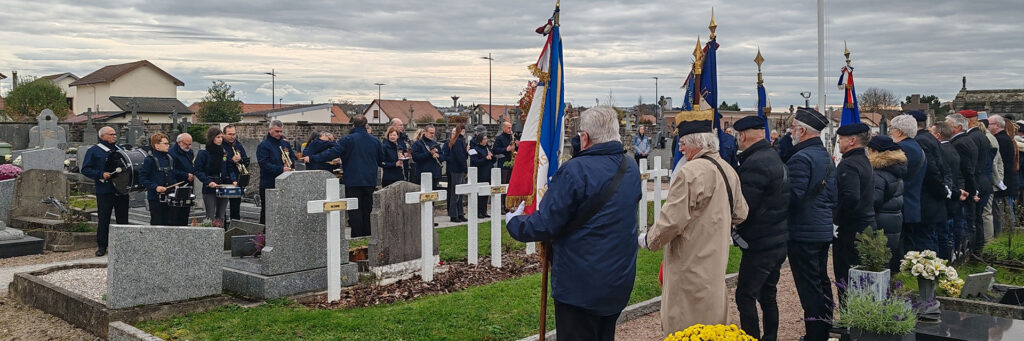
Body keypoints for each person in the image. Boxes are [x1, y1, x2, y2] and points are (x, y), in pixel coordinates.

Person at [505, 106, 640, 340]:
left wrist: (514, 223)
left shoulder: (574, 171)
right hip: (617, 281)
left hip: (580, 287)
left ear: (585, 138)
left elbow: (545, 223)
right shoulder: (630, 167)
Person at [639, 109, 749, 334]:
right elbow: (741, 213)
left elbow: (671, 221)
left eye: (683, 143)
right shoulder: (728, 169)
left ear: (697, 143)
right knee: (714, 327)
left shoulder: (689, 172)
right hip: (716, 260)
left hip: (689, 262)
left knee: (686, 327)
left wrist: (648, 240)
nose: (679, 148)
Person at [732, 116, 790, 341]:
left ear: (743, 136)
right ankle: (770, 336)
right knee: (768, 295)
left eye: (738, 136)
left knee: (745, 296)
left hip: (760, 243)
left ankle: (752, 337)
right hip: (777, 238)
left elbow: (744, 208)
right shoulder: (771, 156)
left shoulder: (754, 163)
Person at [785, 108, 837, 341]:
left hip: (803, 231)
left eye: (793, 128)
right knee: (821, 282)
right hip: (821, 228)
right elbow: (833, 196)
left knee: (809, 287)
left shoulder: (801, 158)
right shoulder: (825, 156)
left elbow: (793, 197)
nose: (790, 132)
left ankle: (815, 334)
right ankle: (824, 327)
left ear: (803, 131)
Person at [304, 115, 382, 237]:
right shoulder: (375, 141)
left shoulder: (347, 140)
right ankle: (368, 236)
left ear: (353, 125)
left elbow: (331, 153)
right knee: (367, 209)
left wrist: (313, 158)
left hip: (353, 179)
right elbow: (380, 159)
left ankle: (357, 237)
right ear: (366, 124)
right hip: (369, 180)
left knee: (354, 210)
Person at [833, 122, 876, 302]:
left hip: (851, 229)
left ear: (851, 141)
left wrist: (836, 220)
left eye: (840, 139)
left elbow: (851, 197)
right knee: (860, 277)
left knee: (847, 277)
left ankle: (850, 319)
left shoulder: (849, 165)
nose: (838, 143)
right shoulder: (864, 160)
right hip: (865, 225)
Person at [81, 126, 129, 256]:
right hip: (105, 190)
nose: (114, 136)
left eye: (115, 134)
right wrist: (101, 174)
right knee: (104, 219)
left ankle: (123, 245)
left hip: (121, 189)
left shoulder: (120, 150)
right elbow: (85, 169)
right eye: (111, 134)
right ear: (102, 136)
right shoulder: (94, 151)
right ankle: (102, 246)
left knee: (123, 218)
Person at [910, 111, 951, 259]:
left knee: (926, 241)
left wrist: (940, 191)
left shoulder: (920, 141)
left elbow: (931, 171)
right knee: (931, 237)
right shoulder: (929, 138)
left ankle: (929, 273)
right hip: (934, 198)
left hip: (927, 198)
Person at [867, 136, 907, 271]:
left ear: (874, 151)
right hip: (894, 221)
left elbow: (874, 201)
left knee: (878, 265)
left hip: (881, 223)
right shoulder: (896, 169)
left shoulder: (878, 173)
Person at [889, 115, 927, 252]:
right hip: (913, 204)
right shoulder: (918, 147)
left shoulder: (899, 149)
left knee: (899, 249)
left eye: (891, 129)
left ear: (899, 132)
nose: (890, 132)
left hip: (900, 204)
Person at [947, 113, 978, 259]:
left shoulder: (960, 143)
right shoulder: (966, 140)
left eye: (948, 125)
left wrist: (971, 191)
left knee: (959, 223)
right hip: (964, 186)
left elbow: (966, 169)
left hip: (961, 187)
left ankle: (960, 251)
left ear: (958, 127)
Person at [962, 110, 993, 252]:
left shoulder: (971, 138)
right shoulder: (981, 136)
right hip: (984, 180)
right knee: (978, 218)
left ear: (968, 121)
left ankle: (976, 251)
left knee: (973, 219)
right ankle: (979, 249)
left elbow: (971, 166)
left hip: (977, 182)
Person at [139, 132, 187, 226]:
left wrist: (175, 184)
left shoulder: (170, 158)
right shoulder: (149, 160)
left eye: (168, 143)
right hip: (155, 198)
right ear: (156, 145)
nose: (168, 146)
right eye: (165, 144)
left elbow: (172, 174)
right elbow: (142, 178)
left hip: (170, 197)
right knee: (157, 223)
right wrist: (155, 187)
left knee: (171, 223)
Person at [932, 121, 962, 261]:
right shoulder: (951, 148)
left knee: (943, 234)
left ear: (937, 135)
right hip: (952, 194)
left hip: (946, 197)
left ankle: (944, 261)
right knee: (947, 233)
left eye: (932, 133)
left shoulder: (942, 151)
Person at [194, 127, 235, 227]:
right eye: (218, 137)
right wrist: (208, 181)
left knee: (221, 215)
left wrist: (233, 179)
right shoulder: (203, 152)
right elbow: (198, 170)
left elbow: (229, 167)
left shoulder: (224, 151)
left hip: (222, 185)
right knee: (210, 215)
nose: (220, 139)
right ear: (212, 138)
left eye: (221, 137)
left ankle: (220, 235)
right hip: (209, 186)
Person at [256, 120, 296, 224]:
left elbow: (292, 158)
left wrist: (290, 164)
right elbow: (264, 165)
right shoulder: (263, 145)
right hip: (269, 183)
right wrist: (281, 169)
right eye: (277, 131)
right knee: (267, 211)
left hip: (285, 183)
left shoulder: (285, 144)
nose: (279, 134)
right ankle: (263, 235)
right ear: (270, 130)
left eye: (281, 131)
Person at [989, 115, 1017, 239]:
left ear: (997, 125)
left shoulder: (1000, 140)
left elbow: (998, 162)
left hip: (1002, 180)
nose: (987, 126)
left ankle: (1004, 235)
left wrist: (998, 180)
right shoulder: (1004, 138)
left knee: (1001, 211)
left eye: (989, 124)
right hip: (1005, 179)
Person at [168, 133, 197, 226]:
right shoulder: (172, 153)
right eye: (186, 144)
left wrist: (193, 172)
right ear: (179, 142)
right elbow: (172, 170)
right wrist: (185, 175)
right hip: (177, 184)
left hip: (188, 184)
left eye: (190, 144)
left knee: (185, 210)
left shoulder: (189, 152)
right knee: (176, 213)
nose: (188, 146)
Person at [222, 125, 249, 223]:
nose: (232, 136)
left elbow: (246, 161)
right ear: (224, 134)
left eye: (234, 134)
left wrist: (241, 159)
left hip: (237, 179)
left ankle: (235, 226)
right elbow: (221, 163)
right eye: (229, 134)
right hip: (224, 179)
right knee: (222, 208)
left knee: (236, 206)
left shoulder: (238, 145)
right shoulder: (221, 145)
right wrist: (231, 160)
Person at [445, 124, 469, 222]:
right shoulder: (458, 141)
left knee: (460, 192)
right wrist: (465, 169)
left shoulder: (458, 141)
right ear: (462, 130)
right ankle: (453, 214)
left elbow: (463, 155)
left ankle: (460, 213)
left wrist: (466, 152)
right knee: (456, 192)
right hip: (457, 169)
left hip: (457, 169)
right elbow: (460, 157)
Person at [492, 122, 517, 211]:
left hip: (511, 164)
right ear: (503, 128)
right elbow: (494, 150)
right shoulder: (500, 138)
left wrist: (517, 145)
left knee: (509, 185)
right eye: (508, 128)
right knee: (502, 185)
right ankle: (501, 206)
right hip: (503, 164)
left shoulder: (512, 137)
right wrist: (506, 149)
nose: (510, 129)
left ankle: (508, 204)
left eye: (511, 128)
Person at [470, 131, 494, 219]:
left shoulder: (487, 148)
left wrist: (492, 156)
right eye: (484, 139)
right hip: (480, 174)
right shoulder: (474, 149)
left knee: (486, 194)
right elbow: (475, 162)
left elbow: (493, 160)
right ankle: (478, 211)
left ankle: (484, 211)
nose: (486, 140)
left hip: (488, 173)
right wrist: (485, 159)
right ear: (480, 140)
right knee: (479, 194)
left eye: (486, 139)